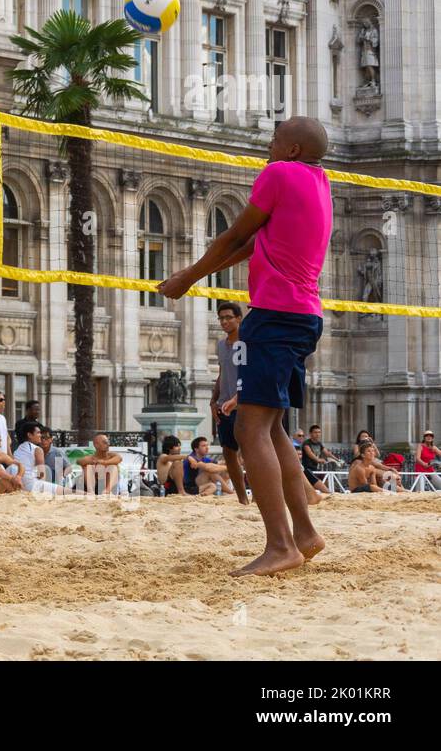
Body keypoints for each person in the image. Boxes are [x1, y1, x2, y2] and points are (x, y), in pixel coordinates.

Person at [159, 117, 332, 576]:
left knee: (249, 431)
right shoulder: (319, 180)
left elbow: (236, 235)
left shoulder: (279, 173)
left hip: (275, 317)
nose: (267, 147)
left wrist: (186, 277)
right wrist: (200, 272)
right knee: (272, 431)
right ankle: (305, 534)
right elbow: (255, 243)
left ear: (292, 149)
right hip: (303, 317)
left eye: (275, 141)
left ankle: (281, 546)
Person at [210, 302, 249, 500]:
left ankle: (259, 497)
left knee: (250, 453)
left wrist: (237, 397)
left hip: (244, 404)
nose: (224, 321)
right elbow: (222, 374)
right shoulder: (221, 345)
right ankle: (242, 498)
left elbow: (249, 374)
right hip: (224, 405)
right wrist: (213, 400)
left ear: (239, 318)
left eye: (228, 317)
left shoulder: (245, 343)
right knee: (229, 452)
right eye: (221, 318)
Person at [12, 423, 59, 494]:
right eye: (38, 433)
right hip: (31, 485)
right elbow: (41, 474)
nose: (40, 435)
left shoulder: (17, 450)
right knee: (69, 492)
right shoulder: (37, 449)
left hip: (18, 485)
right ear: (29, 435)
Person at [301, 425, 337, 494]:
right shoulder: (306, 443)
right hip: (308, 469)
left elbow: (327, 453)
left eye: (319, 432)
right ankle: (327, 493)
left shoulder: (319, 444)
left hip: (316, 468)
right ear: (310, 433)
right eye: (315, 432)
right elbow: (310, 454)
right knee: (315, 484)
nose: (318, 434)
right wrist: (319, 460)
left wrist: (337, 460)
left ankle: (328, 494)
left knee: (325, 479)